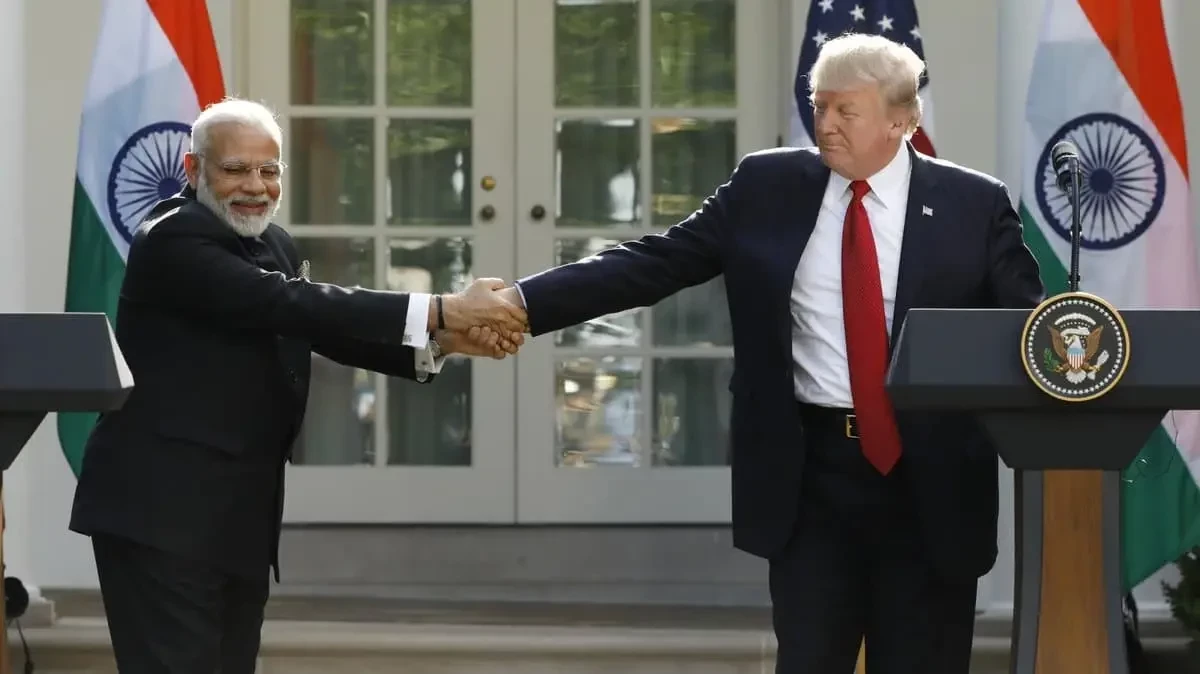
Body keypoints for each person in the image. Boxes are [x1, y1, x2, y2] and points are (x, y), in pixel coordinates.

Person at [495, 34, 1044, 673]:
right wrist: (521, 303)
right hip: (811, 475)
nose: (825, 124)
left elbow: (1025, 330)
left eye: (846, 111)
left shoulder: (973, 204)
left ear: (900, 120)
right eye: (819, 105)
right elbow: (654, 262)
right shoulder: (767, 186)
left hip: (931, 480)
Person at [67, 98, 527, 673]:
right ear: (193, 169)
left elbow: (315, 325)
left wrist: (442, 341)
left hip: (236, 520)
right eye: (236, 169)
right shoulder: (172, 237)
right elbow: (284, 301)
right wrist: (442, 308)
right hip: (159, 517)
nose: (255, 186)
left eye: (269, 170)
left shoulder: (276, 243)